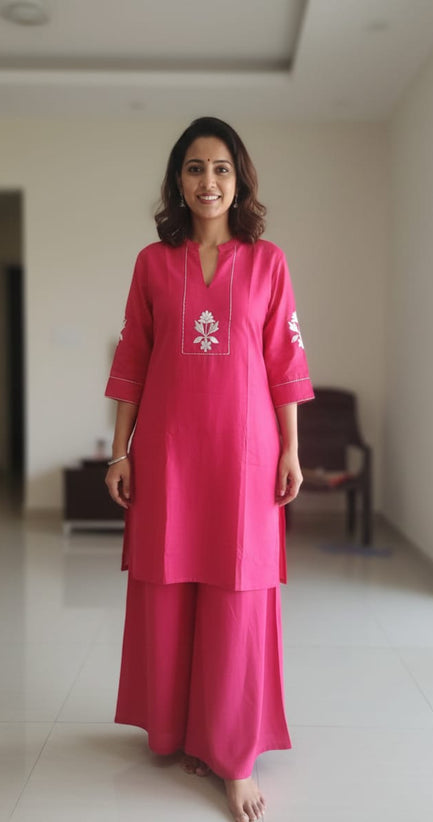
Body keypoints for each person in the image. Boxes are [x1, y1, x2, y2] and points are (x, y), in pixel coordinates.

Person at [104, 116, 314, 822]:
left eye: (221, 168)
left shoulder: (268, 262)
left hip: (246, 455)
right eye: (195, 168)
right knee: (168, 588)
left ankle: (233, 756)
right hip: (166, 452)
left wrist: (289, 449)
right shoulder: (151, 263)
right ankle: (177, 731)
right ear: (177, 181)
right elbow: (132, 359)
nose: (208, 182)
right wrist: (121, 450)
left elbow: (285, 364)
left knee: (238, 595)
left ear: (240, 179)